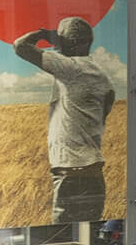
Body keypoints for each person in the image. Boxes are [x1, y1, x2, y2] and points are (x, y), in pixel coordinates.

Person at [13, 16, 117, 223]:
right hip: (94, 171)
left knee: (62, 236)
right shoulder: (102, 77)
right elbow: (105, 108)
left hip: (70, 172)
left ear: (72, 43)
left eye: (61, 41)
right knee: (90, 233)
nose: (57, 47)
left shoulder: (70, 68)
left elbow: (20, 46)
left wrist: (45, 34)